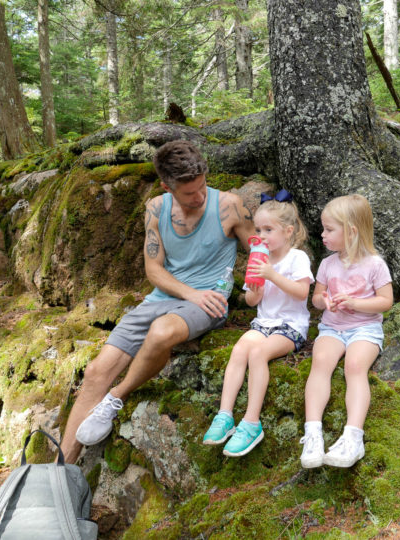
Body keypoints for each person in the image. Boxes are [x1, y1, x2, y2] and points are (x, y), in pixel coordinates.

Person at [60, 140, 255, 463]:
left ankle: (115, 398)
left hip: (209, 300)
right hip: (164, 297)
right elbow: (154, 268)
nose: (200, 196)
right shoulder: (156, 209)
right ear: (167, 186)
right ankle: (59, 471)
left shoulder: (230, 206)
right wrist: (187, 292)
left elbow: (260, 251)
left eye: (203, 186)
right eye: (190, 193)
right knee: (95, 371)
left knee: (162, 333)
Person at [203, 193, 313, 457]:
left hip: (290, 325)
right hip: (263, 323)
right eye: (258, 230)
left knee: (258, 353)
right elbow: (252, 301)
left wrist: (272, 275)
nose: (261, 236)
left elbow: (301, 294)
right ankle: (224, 415)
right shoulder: (259, 259)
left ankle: (252, 422)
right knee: (240, 350)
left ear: (288, 232)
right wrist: (256, 289)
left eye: (268, 230)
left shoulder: (297, 258)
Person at [299, 194, 393, 469]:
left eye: (329, 229)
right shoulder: (328, 264)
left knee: (354, 366)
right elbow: (317, 297)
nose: (323, 234)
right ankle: (313, 433)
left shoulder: (375, 264)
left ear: (351, 231)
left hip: (365, 328)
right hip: (332, 327)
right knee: (321, 363)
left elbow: (386, 301)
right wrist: (323, 302)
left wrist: (355, 303)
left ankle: (353, 437)